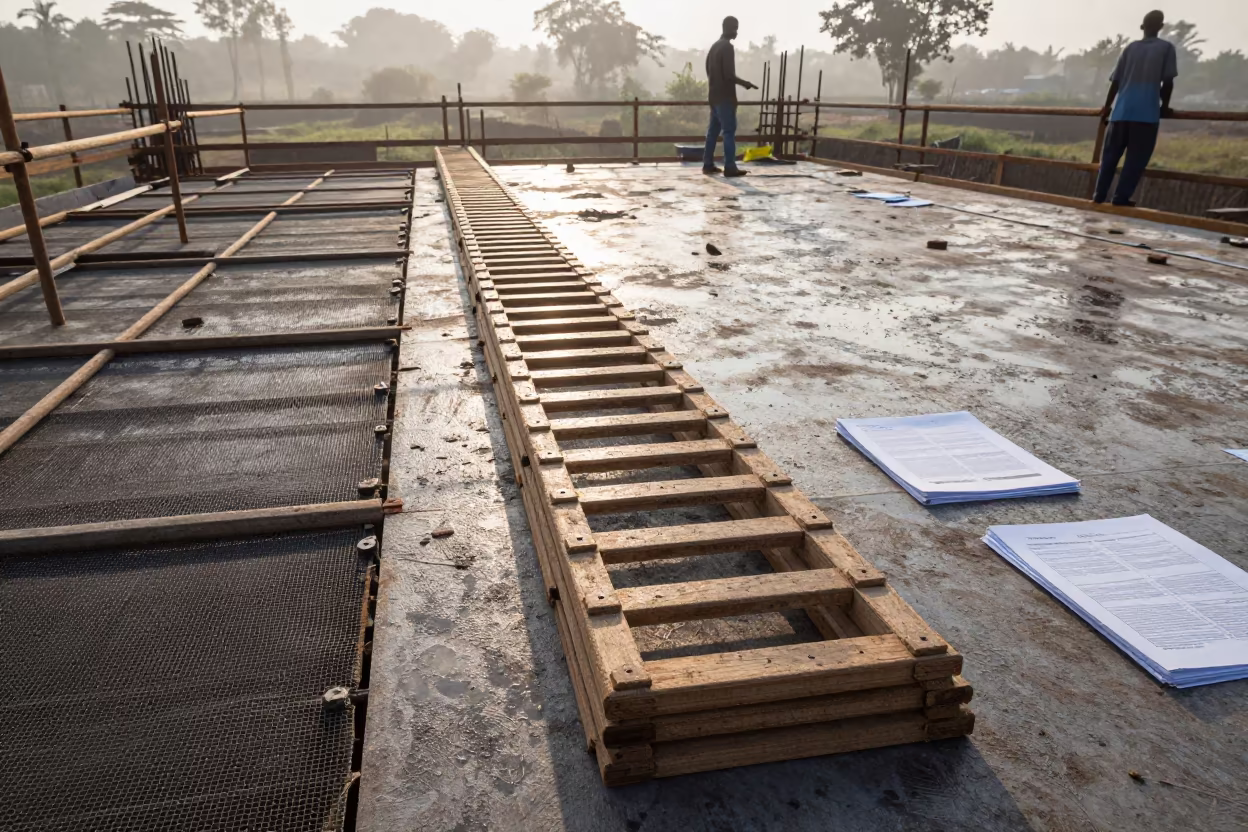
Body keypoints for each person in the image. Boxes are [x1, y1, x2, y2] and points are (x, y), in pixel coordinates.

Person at [1092, 10, 1178, 206]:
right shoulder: (1166, 48)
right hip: (1146, 114)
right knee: (1135, 160)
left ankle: (1099, 195)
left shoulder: (1130, 48)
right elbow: (1168, 82)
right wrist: (1165, 106)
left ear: (1142, 27)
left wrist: (1107, 107)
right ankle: (1120, 197)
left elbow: (1115, 81)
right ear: (1161, 27)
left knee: (1110, 157)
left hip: (1120, 112)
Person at [703, 16, 757, 177]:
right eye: (734, 28)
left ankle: (708, 164)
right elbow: (729, 75)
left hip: (713, 96)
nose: (736, 32)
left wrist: (715, 85)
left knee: (712, 132)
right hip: (725, 97)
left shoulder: (714, 47)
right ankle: (730, 166)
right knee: (728, 132)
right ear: (726, 28)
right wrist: (745, 83)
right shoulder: (727, 47)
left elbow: (708, 70)